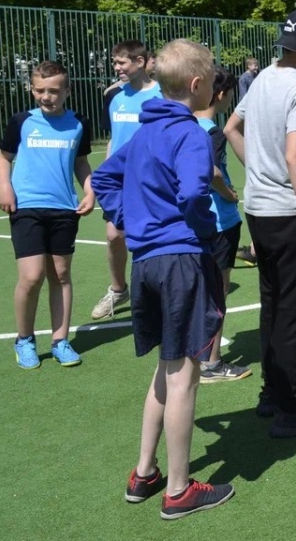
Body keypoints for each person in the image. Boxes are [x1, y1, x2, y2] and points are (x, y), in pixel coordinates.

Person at [91, 39, 235, 520]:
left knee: (166, 368)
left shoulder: (144, 132)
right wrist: (196, 223)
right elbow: (195, 189)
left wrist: (128, 217)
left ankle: (144, 473)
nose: (216, 86)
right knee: (186, 377)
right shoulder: (191, 133)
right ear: (197, 85)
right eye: (213, 79)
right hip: (180, 260)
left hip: (145, 264)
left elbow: (104, 179)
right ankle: (177, 490)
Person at [225, 8, 296, 437]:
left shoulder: (264, 76)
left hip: (257, 210)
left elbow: (231, 128)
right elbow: (294, 155)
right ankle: (290, 412)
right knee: (291, 312)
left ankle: (272, 394)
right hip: (286, 214)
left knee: (273, 304)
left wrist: (256, 173)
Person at [0, 61, 95, 369]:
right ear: (32, 88)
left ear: (67, 90)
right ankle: (24, 339)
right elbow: (3, 158)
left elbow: (81, 163)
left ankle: (60, 341)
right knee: (31, 275)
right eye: (40, 90)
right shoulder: (22, 121)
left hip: (64, 208)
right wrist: (5, 188)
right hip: (26, 207)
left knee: (61, 275)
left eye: (53, 91)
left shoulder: (79, 122)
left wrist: (90, 191)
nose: (46, 96)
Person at [92, 40, 162, 320]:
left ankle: (156, 290)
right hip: (118, 177)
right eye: (115, 62)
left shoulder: (161, 94)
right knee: (114, 234)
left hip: (149, 177)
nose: (116, 67)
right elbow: (114, 137)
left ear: (142, 62)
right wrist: (107, 170)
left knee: (150, 235)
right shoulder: (114, 96)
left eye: (122, 62)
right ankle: (119, 289)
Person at [193, 65, 251, 383]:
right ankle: (212, 364)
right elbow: (212, 172)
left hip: (195, 220)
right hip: (219, 220)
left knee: (201, 289)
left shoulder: (184, 124)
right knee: (218, 292)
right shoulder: (210, 130)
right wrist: (229, 194)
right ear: (222, 94)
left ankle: (195, 354)